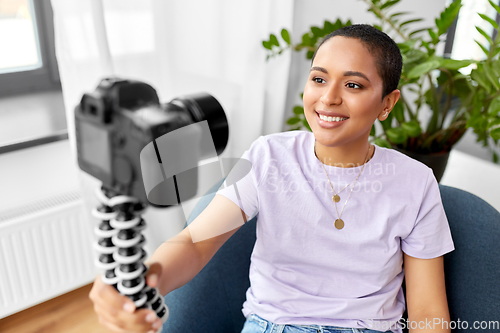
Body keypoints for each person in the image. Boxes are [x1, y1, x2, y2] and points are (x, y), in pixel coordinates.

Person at [89, 24, 455, 333]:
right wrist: (141, 285)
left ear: (387, 104)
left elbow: (427, 313)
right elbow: (196, 243)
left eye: (353, 85)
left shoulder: (415, 182)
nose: (328, 98)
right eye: (318, 79)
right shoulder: (270, 157)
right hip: (275, 325)